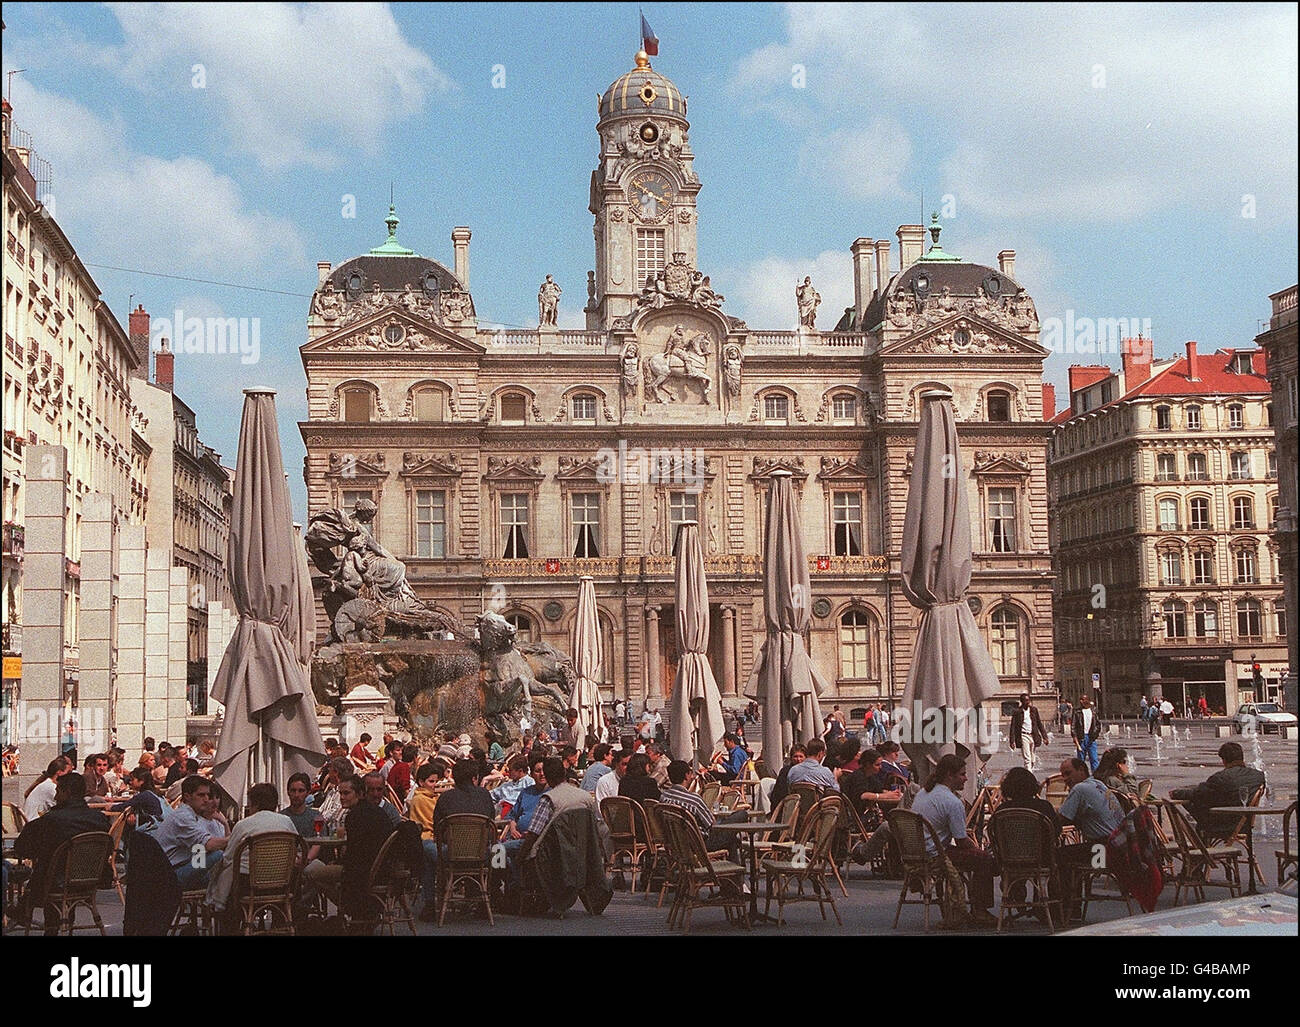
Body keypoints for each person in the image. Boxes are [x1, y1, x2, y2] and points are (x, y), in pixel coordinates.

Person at [12, 774, 110, 933]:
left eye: (58, 791)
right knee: (54, 860)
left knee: (50, 865)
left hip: (57, 882)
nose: (56, 796)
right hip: (90, 879)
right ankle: (60, 920)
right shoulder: (99, 819)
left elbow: (22, 848)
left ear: (67, 792)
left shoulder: (52, 820)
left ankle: (35, 916)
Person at [910, 754, 997, 928]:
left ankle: (973, 905)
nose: (966, 778)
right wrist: (979, 851)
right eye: (962, 774)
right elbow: (962, 840)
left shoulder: (923, 793)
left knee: (979, 857)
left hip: (917, 851)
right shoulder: (952, 802)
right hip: (936, 853)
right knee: (984, 859)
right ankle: (980, 910)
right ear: (950, 775)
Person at [206, 782, 297, 915]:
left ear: (254, 803)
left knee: (226, 874)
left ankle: (231, 925)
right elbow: (295, 848)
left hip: (248, 885)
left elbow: (229, 857)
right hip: (282, 884)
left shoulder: (243, 825)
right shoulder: (287, 821)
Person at [1056, 757, 1126, 920]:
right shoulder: (1098, 784)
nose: (1065, 779)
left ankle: (1069, 909)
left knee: (1058, 856)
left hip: (1103, 853)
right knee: (1070, 853)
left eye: (1068, 774)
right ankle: (1070, 908)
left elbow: (1061, 821)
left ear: (1081, 770)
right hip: (1120, 848)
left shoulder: (1080, 789)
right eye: (1063, 775)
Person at [1170, 742, 1266, 842]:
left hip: (1222, 825)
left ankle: (1201, 848)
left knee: (1194, 803)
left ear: (1224, 760)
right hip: (1245, 824)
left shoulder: (1220, 778)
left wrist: (1177, 793)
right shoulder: (1258, 776)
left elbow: (1199, 793)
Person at [149, 775, 230, 889]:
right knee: (218, 857)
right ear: (187, 796)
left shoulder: (192, 815)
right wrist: (238, 836)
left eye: (208, 795)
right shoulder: (183, 817)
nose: (206, 799)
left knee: (223, 877)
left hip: (178, 867)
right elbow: (209, 844)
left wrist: (225, 824)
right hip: (169, 876)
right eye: (201, 795)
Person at [840, 748, 901, 830]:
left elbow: (880, 789)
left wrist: (893, 793)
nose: (880, 767)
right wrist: (884, 796)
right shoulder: (858, 776)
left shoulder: (870, 776)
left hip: (865, 814)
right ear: (868, 764)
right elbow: (863, 795)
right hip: (857, 818)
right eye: (877, 765)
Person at [109, 766, 165, 830]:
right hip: (162, 827)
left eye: (132, 779)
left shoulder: (144, 795)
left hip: (153, 830)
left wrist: (110, 807)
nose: (130, 782)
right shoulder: (156, 792)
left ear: (141, 781)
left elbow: (123, 806)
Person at [23, 757, 73, 821]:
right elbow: (63, 808)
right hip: (36, 823)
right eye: (69, 773)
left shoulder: (47, 783)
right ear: (59, 773)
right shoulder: (51, 787)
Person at [1010, 694, 1048, 772]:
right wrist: (1012, 741)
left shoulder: (1034, 710)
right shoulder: (1017, 712)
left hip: (1033, 735)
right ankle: (1029, 775)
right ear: (1022, 701)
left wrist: (1045, 737)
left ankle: (1029, 769)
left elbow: (1039, 723)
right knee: (1027, 758)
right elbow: (1013, 727)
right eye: (1026, 700)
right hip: (1023, 736)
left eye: (1028, 700)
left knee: (1032, 758)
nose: (1028, 702)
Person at [1071, 695, 1102, 773]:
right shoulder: (1077, 711)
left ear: (1087, 700)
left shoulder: (1093, 711)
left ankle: (1095, 776)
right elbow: (1073, 726)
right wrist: (1075, 738)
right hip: (1081, 737)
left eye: (1083, 699)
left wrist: (1095, 735)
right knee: (1081, 760)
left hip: (1091, 737)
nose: (1081, 701)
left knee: (1094, 758)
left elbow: (1098, 724)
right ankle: (1081, 775)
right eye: (1080, 699)